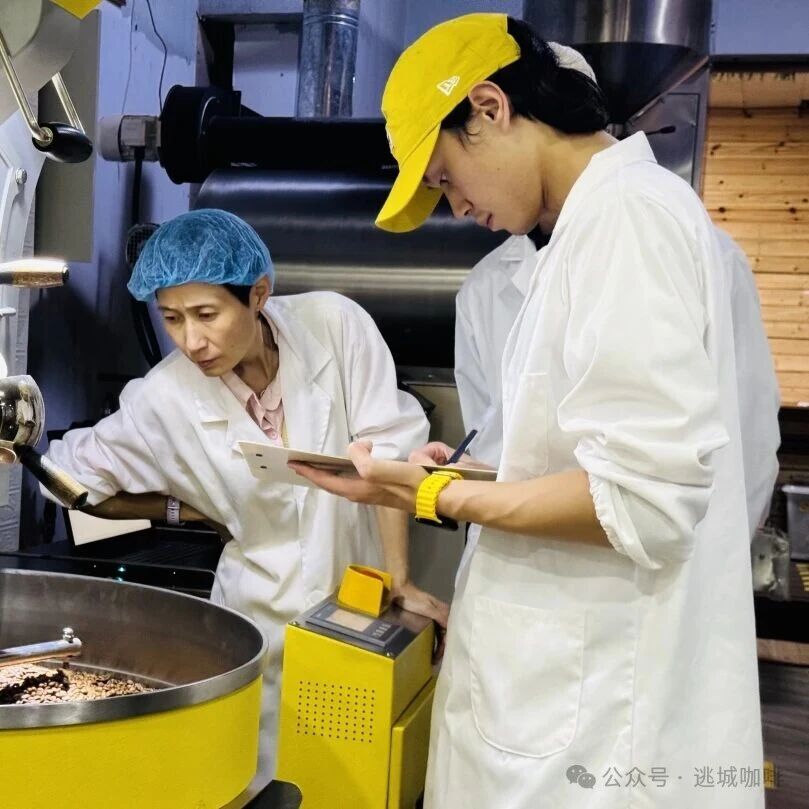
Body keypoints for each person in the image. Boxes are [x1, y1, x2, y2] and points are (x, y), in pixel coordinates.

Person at [291, 14, 764, 808]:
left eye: (445, 177)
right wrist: (460, 477)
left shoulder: (625, 219)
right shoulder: (587, 229)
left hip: (589, 726)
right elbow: (591, 460)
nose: (454, 207)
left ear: (488, 106)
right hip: (558, 699)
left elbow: (642, 500)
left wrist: (433, 493)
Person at [43, 209, 446, 777]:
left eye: (207, 314)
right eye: (171, 318)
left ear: (257, 295)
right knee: (262, 777)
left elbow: (390, 451)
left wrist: (400, 580)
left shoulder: (334, 325)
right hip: (260, 623)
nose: (192, 341)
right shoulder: (162, 397)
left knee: (364, 780)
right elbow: (68, 480)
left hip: (362, 606)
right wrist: (184, 511)